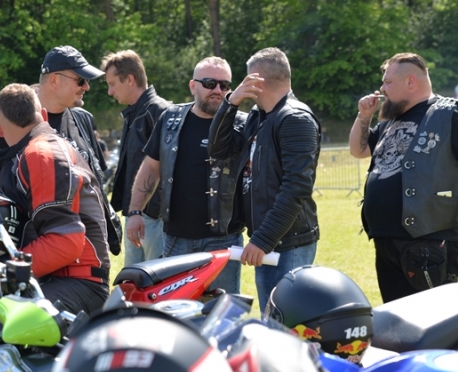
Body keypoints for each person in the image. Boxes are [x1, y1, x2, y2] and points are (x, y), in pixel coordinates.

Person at [349, 52, 458, 302]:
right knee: (397, 314)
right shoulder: (391, 120)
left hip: (429, 238)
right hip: (386, 238)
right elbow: (359, 150)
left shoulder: (451, 114)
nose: (382, 88)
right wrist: (364, 116)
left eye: (388, 82)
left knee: (436, 315)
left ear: (410, 81)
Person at [0, 45, 122, 256]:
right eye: (80, 80)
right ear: (54, 80)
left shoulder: (83, 119)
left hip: (85, 253)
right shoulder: (12, 119)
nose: (87, 87)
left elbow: (95, 184)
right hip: (32, 250)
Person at [208, 47, 321, 310]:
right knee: (271, 321)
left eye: (246, 79)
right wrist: (230, 104)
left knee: (283, 323)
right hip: (270, 240)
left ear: (256, 81)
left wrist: (262, 240)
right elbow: (217, 149)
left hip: (287, 243)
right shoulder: (259, 116)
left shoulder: (295, 118)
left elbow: (296, 188)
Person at [126, 56, 245, 293]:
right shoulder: (170, 119)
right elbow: (151, 167)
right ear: (193, 86)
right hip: (175, 238)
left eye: (225, 85)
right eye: (209, 83)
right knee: (175, 308)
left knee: (221, 310)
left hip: (223, 240)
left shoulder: (241, 124)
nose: (218, 90)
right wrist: (135, 211)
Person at [0, 83, 110, 314]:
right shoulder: (44, 147)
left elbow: (65, 242)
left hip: (78, 281)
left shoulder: (40, 153)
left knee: (5, 325)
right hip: (67, 277)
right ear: (44, 115)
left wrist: (5, 271)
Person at [101, 50, 170, 264]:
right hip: (137, 216)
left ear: (130, 80)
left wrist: (143, 212)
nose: (110, 92)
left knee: (156, 280)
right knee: (134, 280)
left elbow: (168, 168)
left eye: (112, 84)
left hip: (155, 220)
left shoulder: (159, 111)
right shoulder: (134, 113)